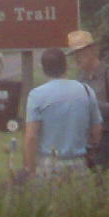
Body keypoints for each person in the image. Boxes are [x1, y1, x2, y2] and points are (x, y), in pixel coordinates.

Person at [23, 48, 102, 176]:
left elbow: (31, 136)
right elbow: (96, 130)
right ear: (66, 66)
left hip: (48, 163)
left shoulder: (36, 95)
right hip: (79, 162)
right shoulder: (86, 91)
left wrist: (30, 167)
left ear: (43, 69)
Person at [66, 29, 109, 170]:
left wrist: (92, 104)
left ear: (93, 51)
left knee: (105, 184)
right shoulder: (80, 79)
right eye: (74, 54)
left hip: (108, 140)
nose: (77, 58)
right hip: (84, 141)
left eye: (80, 52)